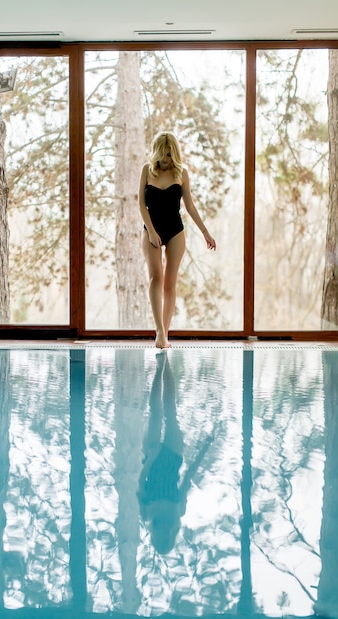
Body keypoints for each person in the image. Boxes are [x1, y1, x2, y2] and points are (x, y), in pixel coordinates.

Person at [139, 131, 216, 349]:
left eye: (169, 155)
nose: (165, 160)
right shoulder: (146, 170)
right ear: (156, 153)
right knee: (156, 277)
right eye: (162, 155)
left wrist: (205, 232)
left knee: (170, 284)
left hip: (175, 231)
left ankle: (165, 333)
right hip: (151, 230)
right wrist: (152, 233)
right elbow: (141, 206)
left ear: (174, 154)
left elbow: (190, 207)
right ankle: (159, 331)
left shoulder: (181, 173)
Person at [138, 352, 214, 554]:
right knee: (170, 411)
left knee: (155, 411)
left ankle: (159, 369)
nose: (161, 535)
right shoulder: (178, 511)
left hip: (152, 459)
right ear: (169, 536)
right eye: (165, 538)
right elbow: (188, 476)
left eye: (159, 538)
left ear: (156, 537)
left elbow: (140, 481)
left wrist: (150, 459)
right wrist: (204, 450)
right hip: (173, 457)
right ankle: (166, 365)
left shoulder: (146, 514)